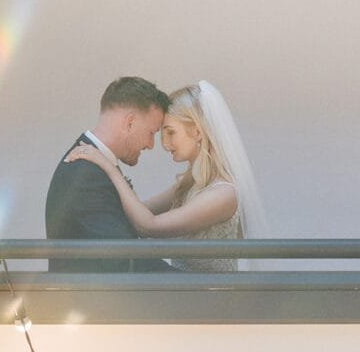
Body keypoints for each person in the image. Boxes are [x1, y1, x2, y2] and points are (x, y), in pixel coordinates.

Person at [64, 80, 266, 272]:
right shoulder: (189, 183)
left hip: (211, 299)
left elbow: (148, 226)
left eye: (171, 133)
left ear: (196, 131)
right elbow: (140, 211)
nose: (164, 144)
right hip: (182, 293)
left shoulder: (223, 194)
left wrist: (109, 167)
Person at [45, 76, 171, 272]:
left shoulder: (93, 168)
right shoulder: (86, 175)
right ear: (130, 123)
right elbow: (124, 257)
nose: (151, 145)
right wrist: (198, 287)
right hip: (89, 300)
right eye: (151, 132)